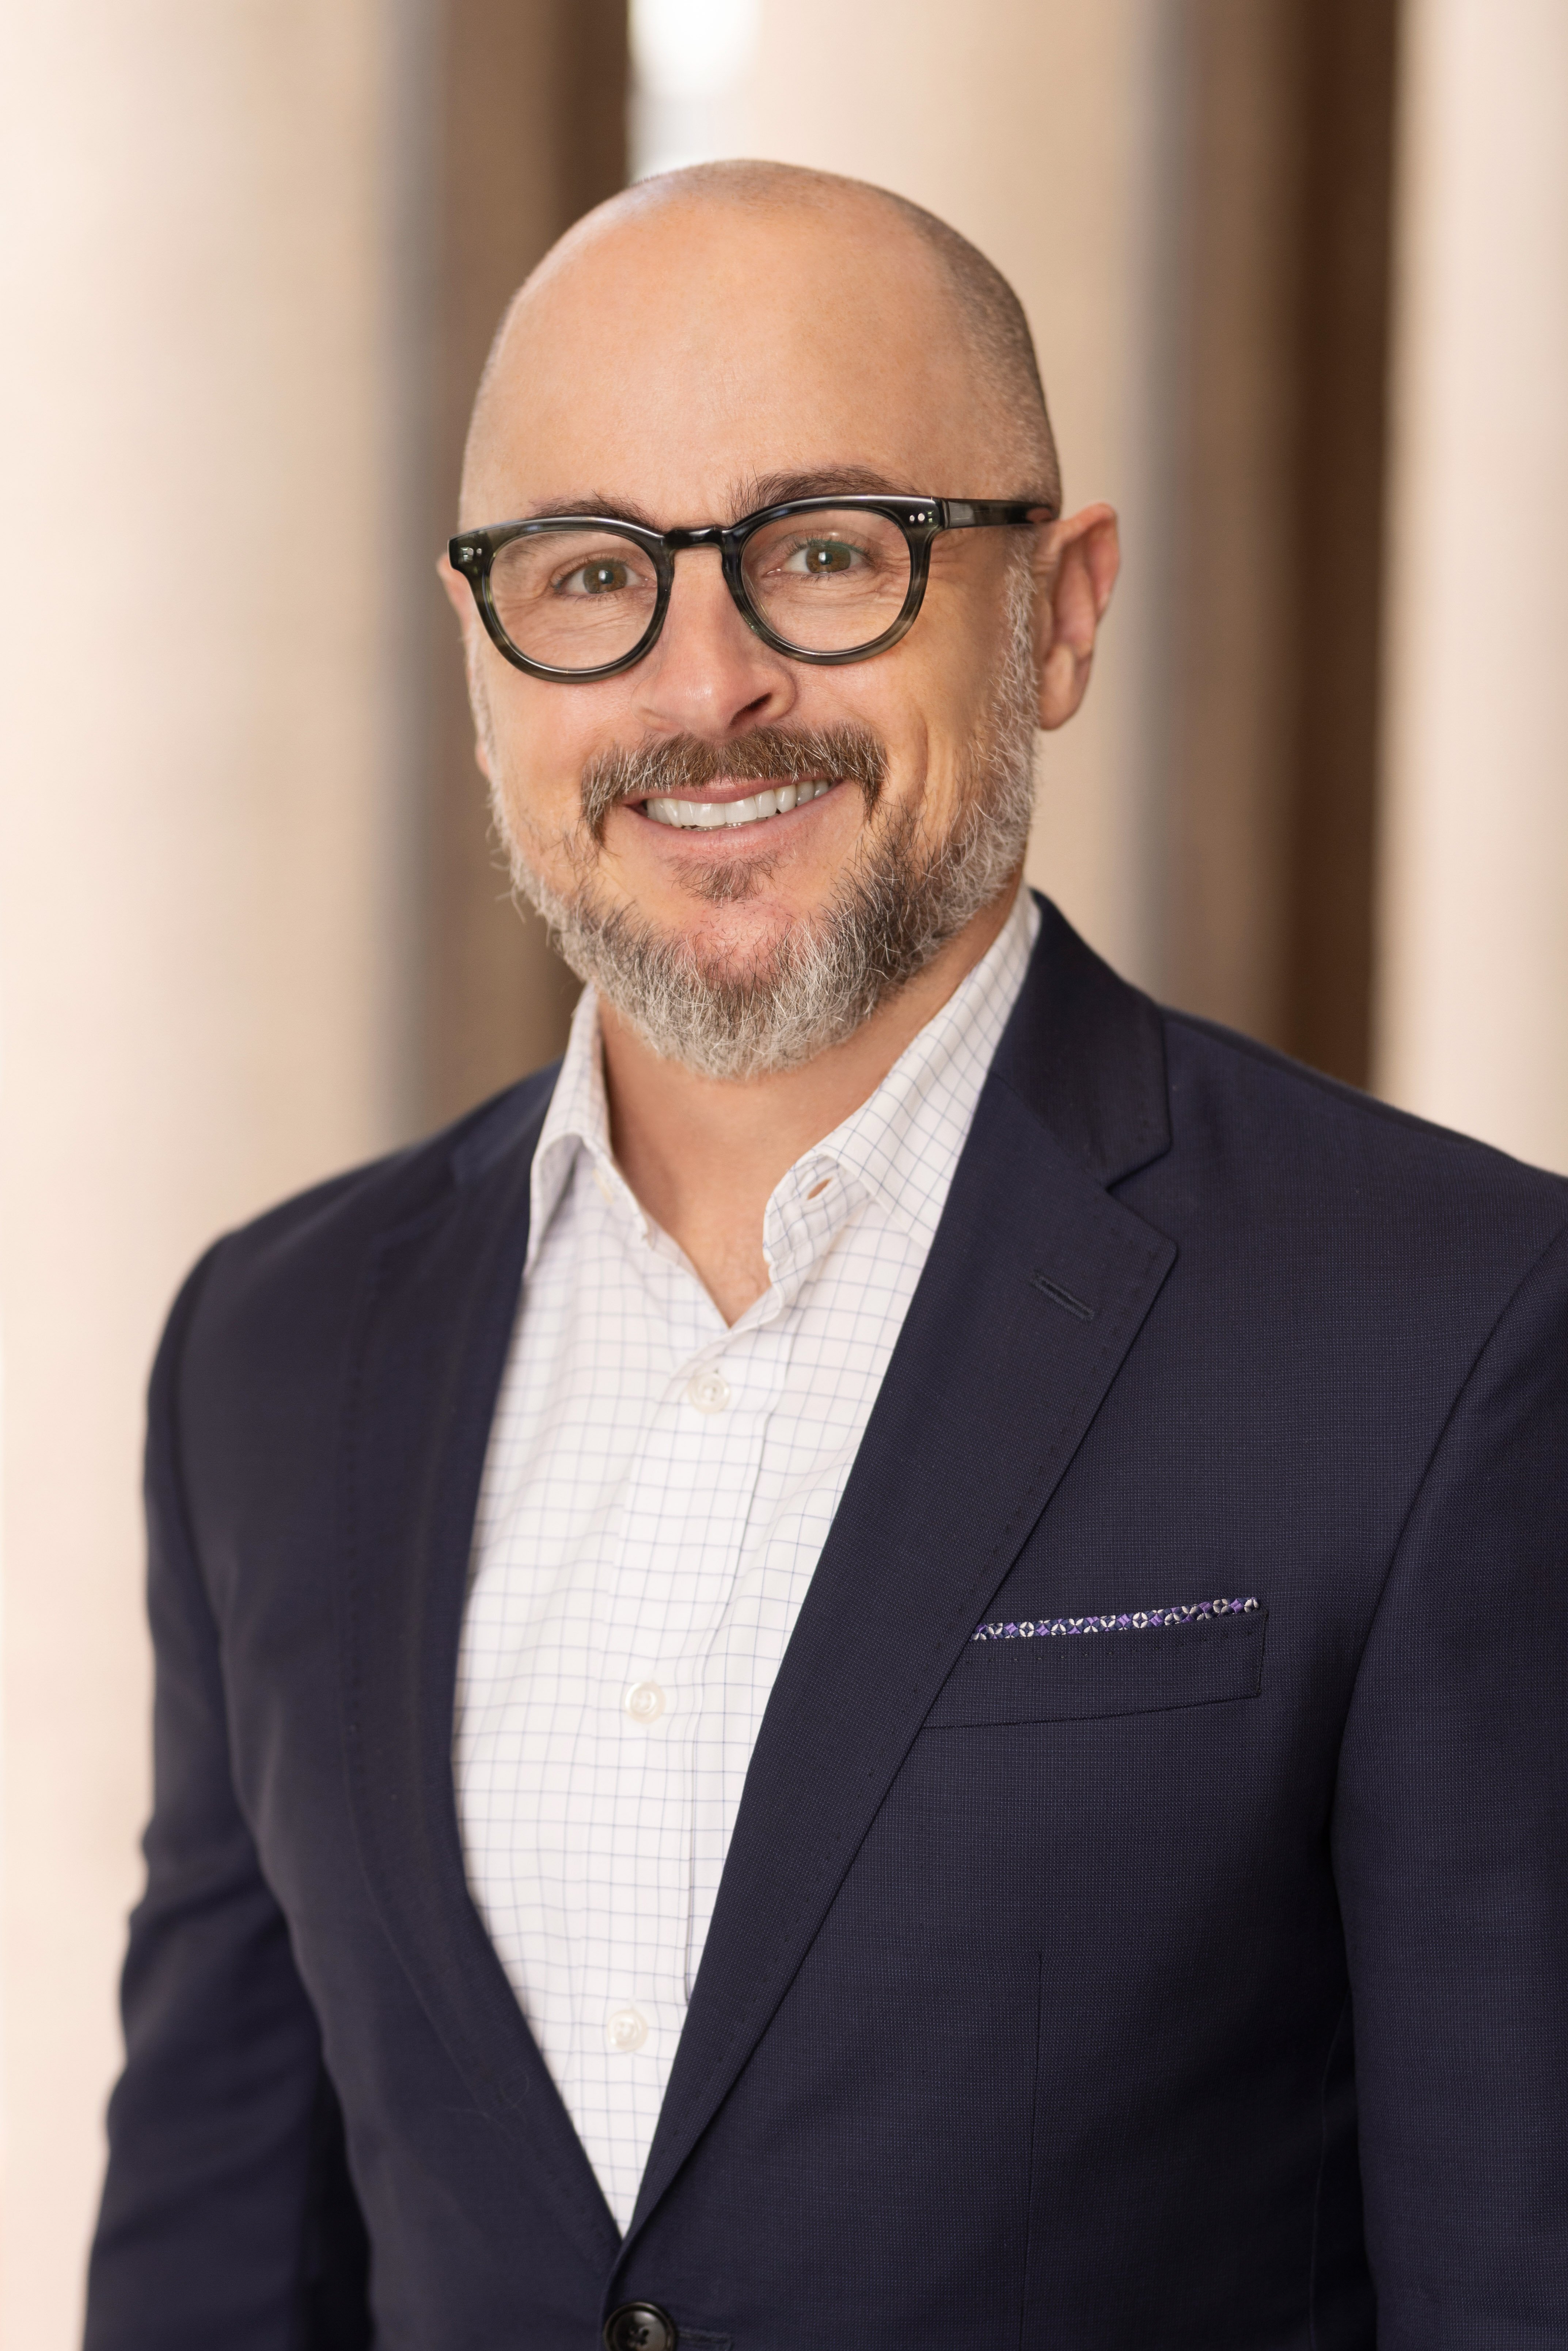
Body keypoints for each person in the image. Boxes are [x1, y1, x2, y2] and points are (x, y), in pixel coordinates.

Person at [84, 162, 1568, 2351]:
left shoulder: (1454, 1333)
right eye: (591, 574)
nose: (707, 684)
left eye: (827, 552)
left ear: (1059, 613)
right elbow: (218, 2270)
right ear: (484, 666)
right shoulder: (273, 1350)